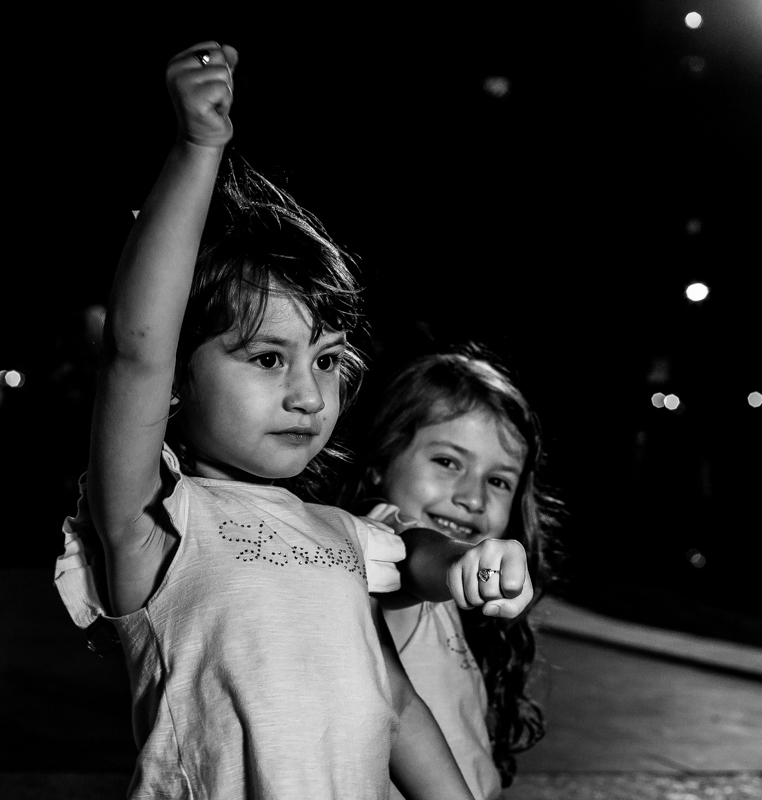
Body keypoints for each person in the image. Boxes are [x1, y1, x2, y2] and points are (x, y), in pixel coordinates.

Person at [53, 41, 525, 798]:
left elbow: (399, 700)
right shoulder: (157, 524)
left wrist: (465, 564)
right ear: (177, 381)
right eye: (268, 357)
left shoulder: (341, 536)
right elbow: (135, 352)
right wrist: (198, 150)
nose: (309, 395)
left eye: (328, 361)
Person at [341, 352, 557, 799]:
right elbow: (414, 554)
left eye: (498, 481)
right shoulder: (373, 544)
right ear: (380, 460)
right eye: (448, 461)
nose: (473, 498)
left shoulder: (459, 605)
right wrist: (462, 561)